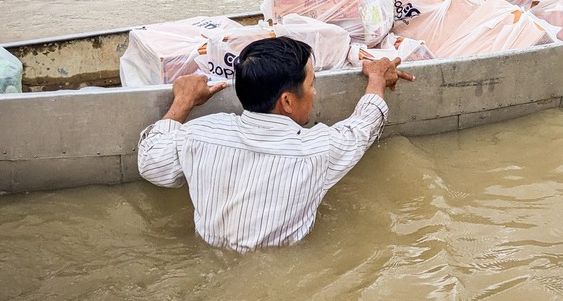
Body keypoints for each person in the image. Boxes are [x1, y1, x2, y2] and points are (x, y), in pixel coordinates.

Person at [137, 36, 413, 252]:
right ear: (287, 102)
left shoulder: (198, 134)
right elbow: (364, 125)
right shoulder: (316, 150)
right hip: (283, 266)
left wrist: (184, 101)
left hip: (208, 256)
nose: (315, 92)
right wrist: (377, 78)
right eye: (311, 85)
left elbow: (150, 163)